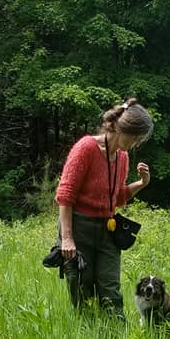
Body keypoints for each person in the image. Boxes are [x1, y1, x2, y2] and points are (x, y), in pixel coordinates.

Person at [55, 98, 153, 316]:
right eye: (135, 136)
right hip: (79, 227)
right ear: (120, 128)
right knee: (82, 287)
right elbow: (65, 195)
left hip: (108, 230)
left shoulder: (122, 157)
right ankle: (87, 338)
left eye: (140, 139)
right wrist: (67, 238)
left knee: (111, 290)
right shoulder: (86, 148)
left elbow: (116, 198)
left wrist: (141, 184)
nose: (136, 142)